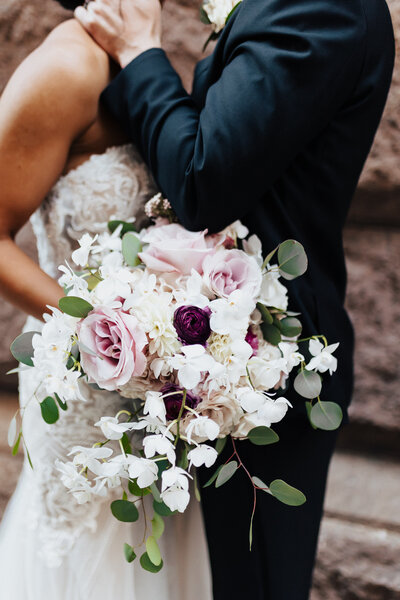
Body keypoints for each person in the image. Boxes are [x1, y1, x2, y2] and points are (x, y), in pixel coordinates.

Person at [73, 0, 395, 598]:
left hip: (267, 373)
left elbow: (201, 179)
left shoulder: (321, 9)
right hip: (201, 362)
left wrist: (141, 51)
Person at [0, 2, 212, 598]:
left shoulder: (147, 61)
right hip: (85, 392)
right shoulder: (66, 67)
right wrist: (102, 329)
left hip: (163, 395)